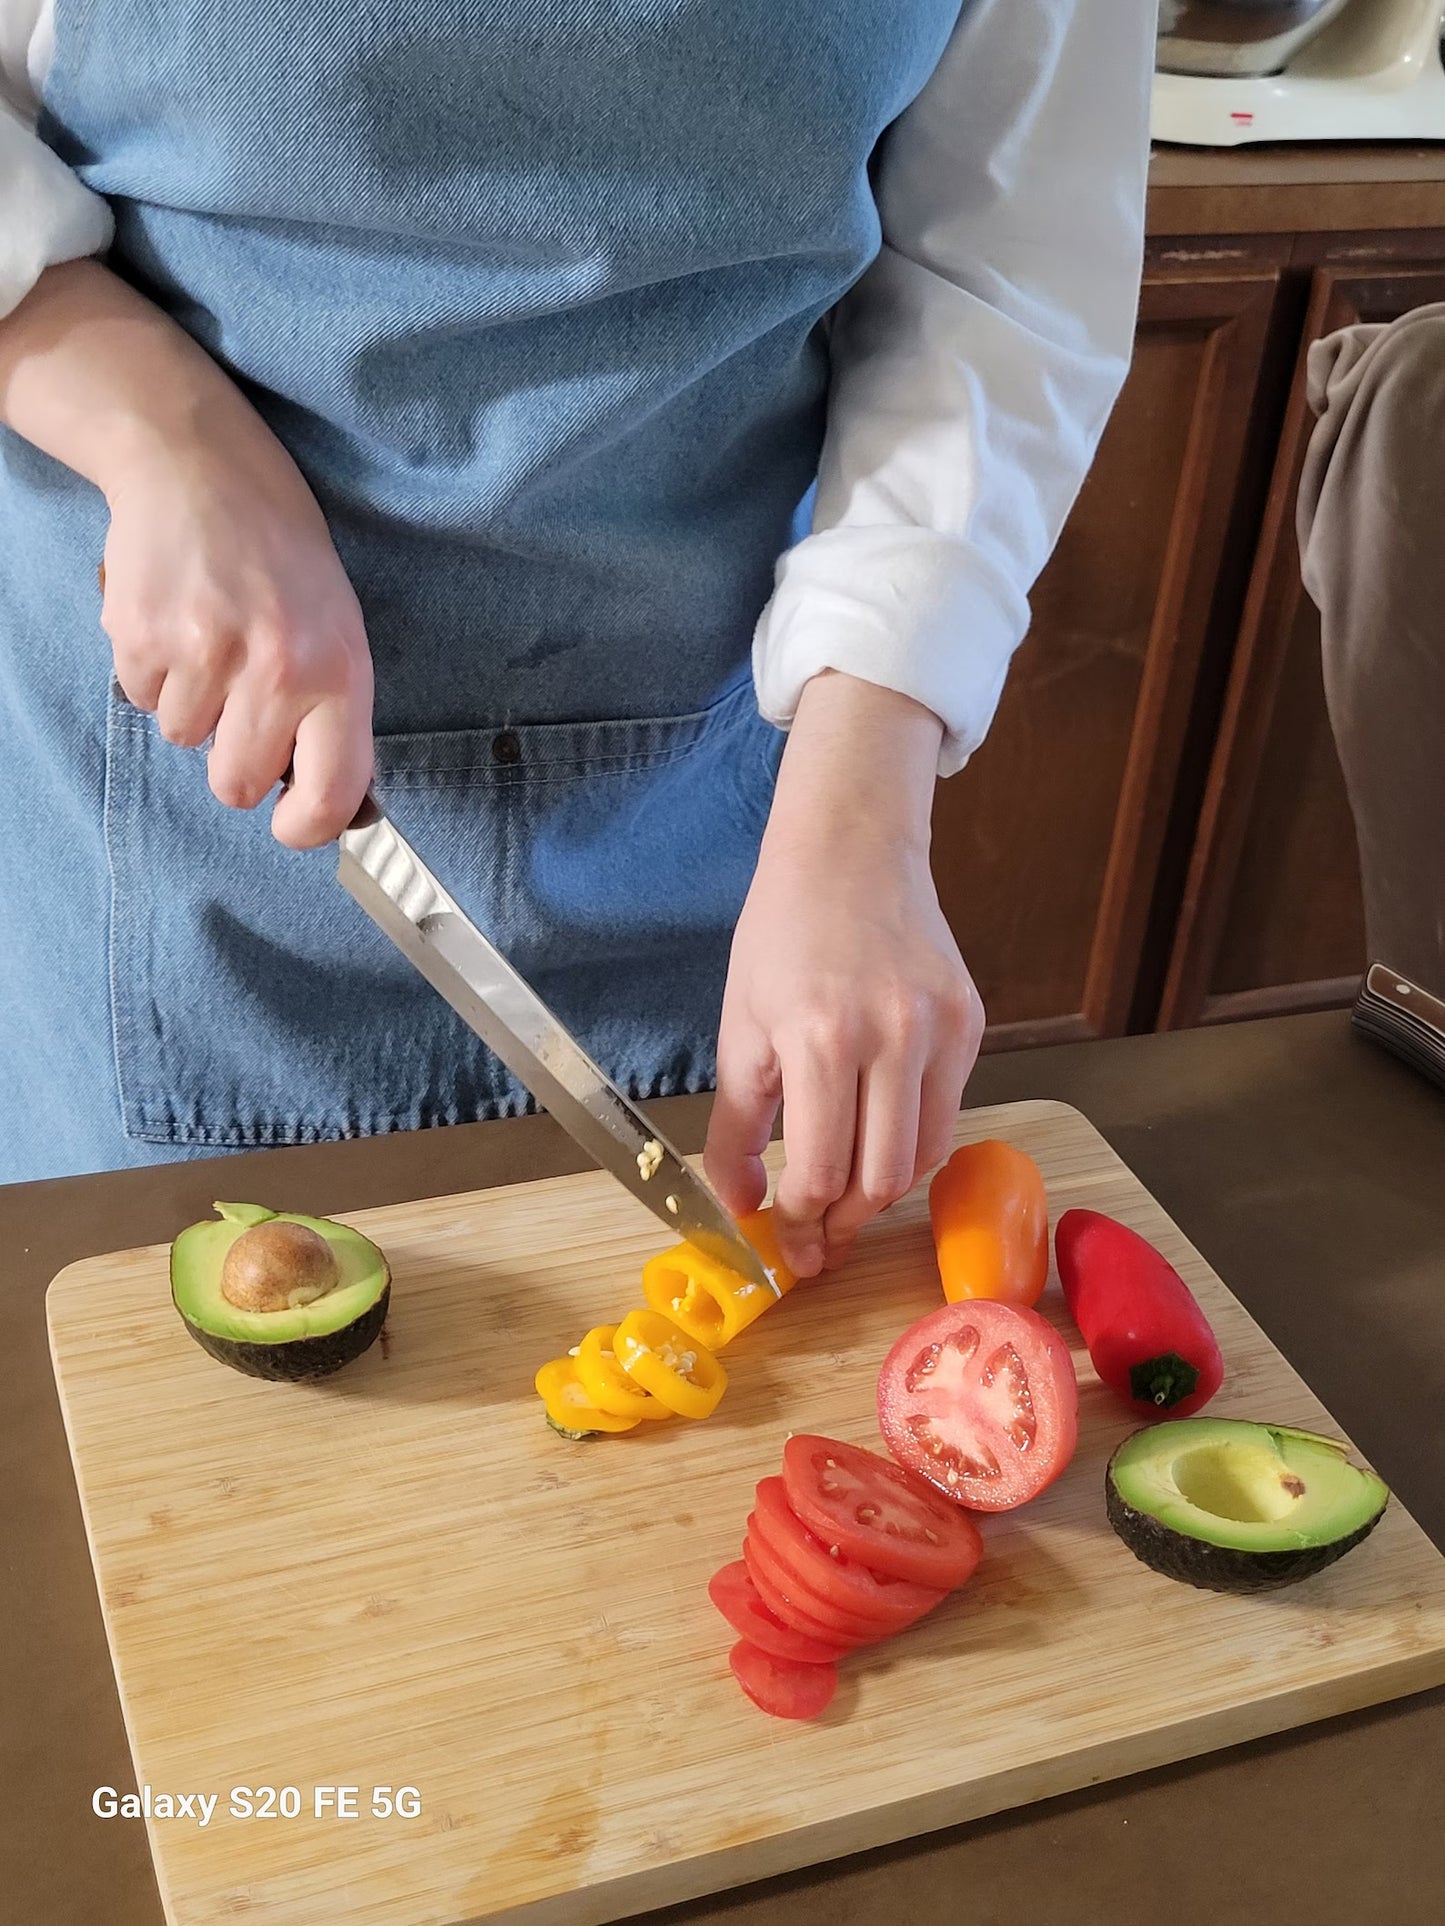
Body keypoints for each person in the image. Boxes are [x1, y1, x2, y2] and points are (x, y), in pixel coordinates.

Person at [0, 1, 1153, 1276]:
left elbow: (996, 282)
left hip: (719, 771)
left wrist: (862, 793)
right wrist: (163, 435)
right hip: (163, 757)